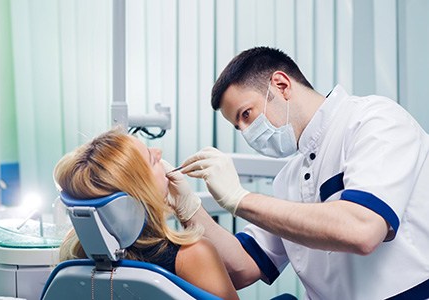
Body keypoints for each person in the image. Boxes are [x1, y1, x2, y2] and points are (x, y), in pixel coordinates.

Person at [164, 47, 429, 300]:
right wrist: (188, 207)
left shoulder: (374, 121)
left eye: (246, 114)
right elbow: (242, 268)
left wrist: (240, 200)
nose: (246, 132)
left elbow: (362, 229)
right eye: (238, 126)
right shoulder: (289, 179)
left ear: (281, 85)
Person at [54, 128, 239, 300]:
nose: (159, 152)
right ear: (142, 192)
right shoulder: (192, 255)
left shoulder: (72, 251)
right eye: (152, 159)